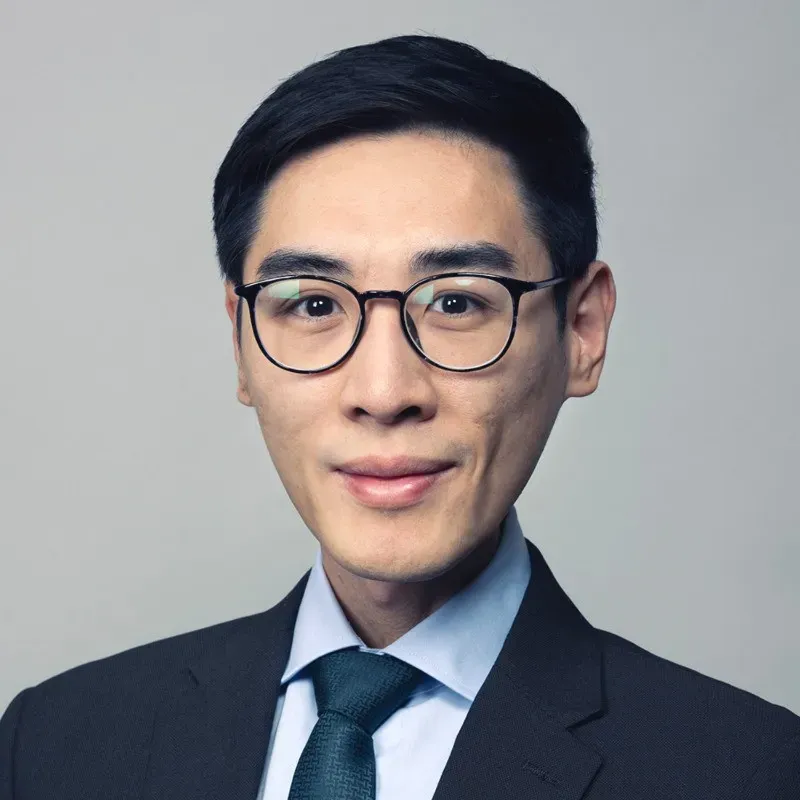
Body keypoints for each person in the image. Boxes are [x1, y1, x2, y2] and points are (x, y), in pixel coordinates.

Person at [1, 33, 798, 800]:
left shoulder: (749, 773)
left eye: (457, 302)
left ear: (582, 331)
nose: (384, 392)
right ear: (241, 343)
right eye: (313, 304)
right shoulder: (55, 743)